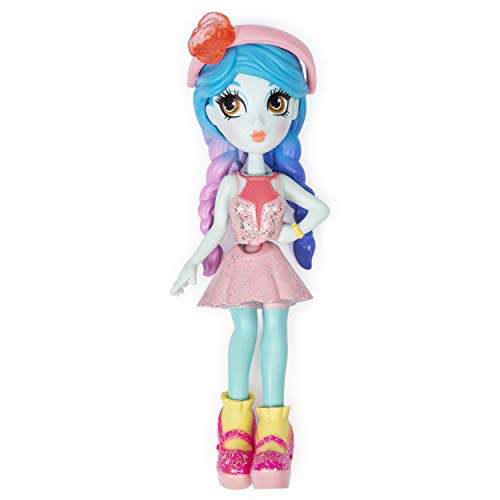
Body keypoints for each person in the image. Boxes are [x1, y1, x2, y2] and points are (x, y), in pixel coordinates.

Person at [170, 12, 330, 489]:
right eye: (234, 104)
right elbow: (218, 228)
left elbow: (320, 209)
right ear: (212, 112)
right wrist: (192, 261)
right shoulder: (230, 184)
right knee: (244, 331)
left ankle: (275, 424)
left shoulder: (279, 182)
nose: (257, 124)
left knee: (275, 330)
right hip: (240, 263)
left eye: (275, 103)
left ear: (293, 110)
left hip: (273, 263)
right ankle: (236, 420)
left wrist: (291, 233)